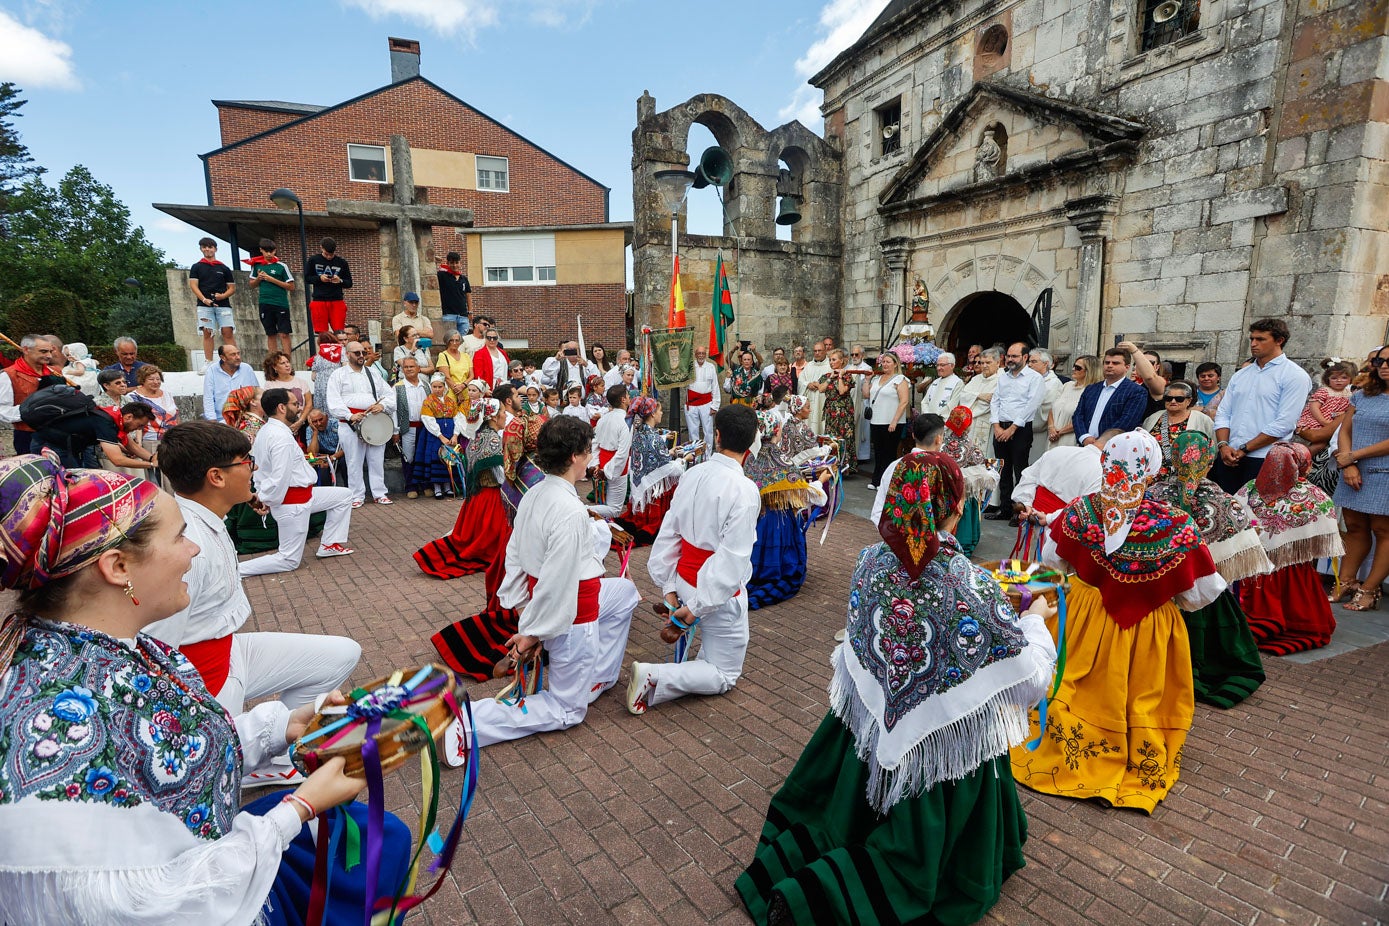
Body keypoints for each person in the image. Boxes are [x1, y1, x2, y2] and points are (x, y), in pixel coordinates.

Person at [0, 452, 410, 922]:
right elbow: (145, 907)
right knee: (371, 849)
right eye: (178, 538)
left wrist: (281, 725)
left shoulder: (121, 647)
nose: (193, 550)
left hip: (222, 858)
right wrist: (297, 808)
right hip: (218, 892)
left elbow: (167, 748)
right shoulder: (50, 732)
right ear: (117, 567)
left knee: (381, 839)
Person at [737, 451, 1056, 926]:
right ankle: (825, 895)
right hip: (937, 753)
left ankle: (815, 877)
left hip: (868, 725)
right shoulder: (970, 584)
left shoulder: (871, 560)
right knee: (917, 850)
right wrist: (1035, 625)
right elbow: (1029, 679)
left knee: (839, 810)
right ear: (955, 503)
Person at [1010, 430, 1226, 813]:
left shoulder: (1079, 510)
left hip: (1083, 612)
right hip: (1146, 624)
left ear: (1106, 462)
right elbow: (1201, 594)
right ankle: (1125, 741)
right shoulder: (1175, 524)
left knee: (1070, 679)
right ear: (1154, 469)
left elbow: (1053, 564)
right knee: (1137, 691)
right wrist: (1158, 597)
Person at [449, 415, 641, 750]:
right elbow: (557, 582)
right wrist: (533, 631)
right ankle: (466, 724)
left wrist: (526, 609)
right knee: (567, 710)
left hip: (568, 598)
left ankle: (599, 677)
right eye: (588, 451)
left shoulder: (536, 493)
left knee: (624, 593)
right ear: (574, 457)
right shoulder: (567, 509)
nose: (591, 458)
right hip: (571, 613)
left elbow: (516, 557)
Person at [150, 419, 359, 707]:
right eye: (246, 461)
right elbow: (154, 652)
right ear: (217, 477)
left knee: (342, 654)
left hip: (228, 650)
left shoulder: (205, 515)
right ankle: (262, 739)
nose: (254, 468)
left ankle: (289, 735)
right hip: (207, 682)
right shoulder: (186, 546)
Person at [628, 405, 761, 714]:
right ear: (753, 440)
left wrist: (669, 587)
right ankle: (653, 675)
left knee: (713, 655)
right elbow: (732, 560)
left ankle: (668, 675)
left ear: (716, 436)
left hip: (687, 581)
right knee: (726, 673)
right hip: (715, 593)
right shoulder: (744, 489)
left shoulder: (693, 473)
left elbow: (670, 532)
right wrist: (697, 606)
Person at [1146, 431, 1271, 708]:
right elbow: (1244, 547)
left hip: (1156, 590)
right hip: (1205, 592)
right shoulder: (1224, 501)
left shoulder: (1151, 495)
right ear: (1208, 461)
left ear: (1173, 458)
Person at [238, 389, 357, 576]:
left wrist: (264, 496)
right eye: (295, 404)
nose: (299, 407)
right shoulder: (280, 437)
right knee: (288, 560)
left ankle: (329, 544)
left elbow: (262, 472)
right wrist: (264, 500)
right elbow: (279, 478)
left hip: (302, 496)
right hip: (292, 504)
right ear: (281, 407)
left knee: (343, 496)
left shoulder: (267, 431)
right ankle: (235, 571)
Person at [1239, 442, 1342, 649]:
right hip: (1293, 570)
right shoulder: (1314, 495)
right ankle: (1290, 621)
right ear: (1302, 464)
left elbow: (1235, 515)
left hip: (1254, 569)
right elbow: (1324, 530)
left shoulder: (1249, 489)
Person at [741, 411, 831, 610]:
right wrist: (821, 481)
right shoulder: (783, 462)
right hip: (779, 523)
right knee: (781, 567)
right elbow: (806, 494)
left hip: (755, 520)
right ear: (776, 430)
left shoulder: (750, 460)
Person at [1212, 318, 1313, 493]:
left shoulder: (1294, 375)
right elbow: (1223, 412)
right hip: (1229, 455)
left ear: (1279, 340)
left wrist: (1245, 448)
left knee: (1256, 515)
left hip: (1264, 457)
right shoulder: (1241, 375)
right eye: (1252, 339)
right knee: (1223, 511)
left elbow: (1285, 422)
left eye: (1260, 339)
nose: (1253, 344)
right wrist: (1223, 445)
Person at [1333, 345, 1389, 611]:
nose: (1383, 365)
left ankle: (1369, 589)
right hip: (1354, 469)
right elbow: (1346, 429)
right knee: (1354, 527)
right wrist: (1348, 463)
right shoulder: (1363, 395)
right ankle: (1346, 581)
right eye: (1380, 360)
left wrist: (1354, 456)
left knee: (1383, 530)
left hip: (1384, 472)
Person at [327, 340, 396, 507]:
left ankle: (380, 493)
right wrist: (349, 415)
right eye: (357, 353)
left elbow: (389, 395)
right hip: (349, 424)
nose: (361, 356)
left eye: (363, 353)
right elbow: (333, 401)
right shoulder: (338, 375)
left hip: (373, 421)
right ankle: (356, 495)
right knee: (353, 461)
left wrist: (382, 405)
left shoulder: (372, 373)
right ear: (347, 354)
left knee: (376, 459)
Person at [30, 388, 157, 472]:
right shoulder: (105, 422)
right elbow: (117, 460)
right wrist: (151, 465)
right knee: (70, 484)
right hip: (50, 445)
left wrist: (152, 458)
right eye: (140, 425)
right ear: (129, 417)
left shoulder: (113, 417)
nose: (139, 429)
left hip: (66, 446)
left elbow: (132, 446)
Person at [986, 342, 1044, 521]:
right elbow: (995, 400)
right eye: (1009, 356)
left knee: (1020, 471)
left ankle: (1019, 512)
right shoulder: (1003, 376)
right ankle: (1004, 509)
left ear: (1025, 358)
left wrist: (1012, 428)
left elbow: (1031, 405)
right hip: (1000, 427)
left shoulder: (1034, 378)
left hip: (1020, 429)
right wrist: (996, 425)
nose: (1010, 359)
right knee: (1002, 469)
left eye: (1014, 356)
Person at [625, 396, 692, 542]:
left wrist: (669, 452)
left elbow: (652, 457)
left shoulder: (639, 432)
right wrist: (684, 460)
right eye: (660, 411)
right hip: (652, 491)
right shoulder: (653, 438)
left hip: (640, 486)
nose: (662, 414)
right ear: (653, 413)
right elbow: (669, 469)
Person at [938, 407, 997, 557]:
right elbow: (980, 463)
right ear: (968, 424)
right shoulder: (970, 446)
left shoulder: (941, 442)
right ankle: (963, 542)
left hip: (943, 489)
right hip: (962, 492)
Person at [869, 412, 945, 526]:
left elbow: (878, 510)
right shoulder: (942, 468)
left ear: (913, 435)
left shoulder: (895, 465)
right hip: (933, 538)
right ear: (939, 439)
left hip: (895, 535)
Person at [1072, 347, 1148, 446]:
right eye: (1107, 363)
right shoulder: (1091, 389)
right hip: (1085, 445)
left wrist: (1101, 442)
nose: (1110, 366)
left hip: (1113, 448)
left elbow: (1127, 421)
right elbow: (1078, 415)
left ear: (1127, 367)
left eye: (1115, 363)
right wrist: (1084, 437)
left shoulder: (1136, 392)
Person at [1142, 379, 1215, 477]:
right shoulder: (1153, 417)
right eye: (1168, 398)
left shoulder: (1202, 419)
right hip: (1151, 475)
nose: (1173, 401)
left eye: (1179, 399)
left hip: (1186, 477)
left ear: (1189, 401)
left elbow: (1213, 449)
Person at [0, 334, 57, 454]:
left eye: (50, 351)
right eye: (43, 351)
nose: (49, 356)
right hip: (28, 437)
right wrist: (34, 411)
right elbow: (2, 410)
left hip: (58, 435)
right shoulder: (9, 376)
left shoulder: (55, 373)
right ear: (26, 350)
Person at [863, 350, 910, 489]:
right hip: (876, 420)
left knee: (889, 453)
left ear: (895, 364)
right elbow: (866, 395)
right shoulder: (877, 379)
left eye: (888, 362)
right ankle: (876, 480)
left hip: (891, 421)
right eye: (883, 361)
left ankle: (886, 482)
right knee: (878, 452)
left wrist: (895, 420)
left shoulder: (900, 380)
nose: (885, 364)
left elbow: (904, 401)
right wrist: (867, 380)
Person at [188, 237, 237, 364]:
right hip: (204, 306)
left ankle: (234, 360)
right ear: (201, 249)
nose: (207, 249)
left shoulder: (224, 268)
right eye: (204, 247)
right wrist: (204, 299)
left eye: (210, 247)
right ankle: (208, 362)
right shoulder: (196, 267)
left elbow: (232, 288)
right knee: (208, 332)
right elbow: (193, 285)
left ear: (215, 249)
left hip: (223, 305)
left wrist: (222, 296)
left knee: (228, 331)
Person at [589, 384, 633, 518]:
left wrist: (596, 464)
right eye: (628, 395)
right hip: (616, 466)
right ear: (623, 399)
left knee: (606, 500)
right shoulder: (625, 421)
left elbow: (595, 444)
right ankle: (583, 510)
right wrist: (607, 471)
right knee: (614, 509)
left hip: (603, 462)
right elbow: (622, 452)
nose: (630, 397)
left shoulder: (603, 418)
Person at [418, 372, 464, 499]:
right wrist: (440, 435)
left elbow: (457, 418)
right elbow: (427, 419)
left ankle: (448, 486)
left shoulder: (451, 402)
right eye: (434, 387)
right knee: (436, 457)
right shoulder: (428, 402)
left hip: (450, 432)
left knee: (449, 458)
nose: (437, 389)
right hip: (435, 434)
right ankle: (437, 487)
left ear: (445, 387)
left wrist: (455, 435)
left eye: (440, 387)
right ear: (431, 387)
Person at [1296, 358, 1355, 454]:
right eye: (1334, 378)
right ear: (1327, 379)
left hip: (1334, 421)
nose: (1339, 381)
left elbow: (1348, 408)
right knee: (1321, 442)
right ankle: (1302, 456)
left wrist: (1342, 413)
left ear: (1350, 379)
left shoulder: (1349, 393)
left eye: (1344, 378)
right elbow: (1314, 407)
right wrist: (1323, 421)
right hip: (1318, 419)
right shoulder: (1325, 391)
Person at [248, 237, 295, 356]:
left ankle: (287, 360)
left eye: (271, 251)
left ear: (275, 251)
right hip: (265, 302)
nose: (269, 254)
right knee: (270, 333)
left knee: (284, 333)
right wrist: (259, 278)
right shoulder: (257, 266)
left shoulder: (281, 266)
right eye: (266, 251)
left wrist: (271, 279)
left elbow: (291, 286)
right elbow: (251, 285)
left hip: (280, 303)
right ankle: (273, 362)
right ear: (261, 250)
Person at [129, 364, 179, 472]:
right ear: (142, 380)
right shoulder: (134, 397)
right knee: (155, 474)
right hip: (150, 441)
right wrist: (137, 443)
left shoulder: (167, 394)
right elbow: (133, 422)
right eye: (151, 379)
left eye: (158, 379)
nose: (156, 382)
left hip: (171, 440)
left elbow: (176, 415)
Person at [816, 348, 859, 475]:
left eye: (834, 360)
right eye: (830, 360)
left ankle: (845, 467)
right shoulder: (826, 376)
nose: (831, 362)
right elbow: (821, 389)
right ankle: (832, 465)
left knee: (845, 437)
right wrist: (831, 378)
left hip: (844, 412)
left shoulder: (847, 376)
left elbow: (842, 391)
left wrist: (840, 376)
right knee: (831, 438)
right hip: (831, 410)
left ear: (841, 361)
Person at [393, 356, 430, 497]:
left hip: (425, 428)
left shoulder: (426, 386)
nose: (408, 369)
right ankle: (411, 486)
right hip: (407, 427)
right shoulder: (398, 387)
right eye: (406, 367)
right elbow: (393, 411)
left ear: (418, 368)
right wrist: (395, 431)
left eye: (411, 366)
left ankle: (425, 485)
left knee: (424, 456)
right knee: (409, 457)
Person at [1047, 354, 1098, 447]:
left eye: (1078, 368)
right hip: (1052, 436)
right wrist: (1051, 428)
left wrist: (1059, 432)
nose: (1073, 369)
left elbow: (1084, 418)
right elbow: (1052, 408)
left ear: (1089, 371)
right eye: (1074, 366)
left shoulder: (1092, 391)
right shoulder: (1067, 385)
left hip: (1070, 438)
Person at [956, 346, 1000, 451]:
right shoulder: (975, 379)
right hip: (970, 425)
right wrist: (979, 395)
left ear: (998, 363)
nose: (984, 366)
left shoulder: (1001, 381)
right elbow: (962, 396)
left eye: (988, 363)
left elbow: (989, 403)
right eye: (982, 363)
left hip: (987, 423)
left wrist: (973, 397)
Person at [305, 236, 352, 333]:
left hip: (337, 300)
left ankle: (339, 348)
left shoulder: (342, 262)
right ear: (321, 248)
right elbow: (307, 278)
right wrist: (319, 278)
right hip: (319, 300)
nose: (329, 257)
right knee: (322, 333)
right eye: (326, 254)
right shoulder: (313, 260)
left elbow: (349, 283)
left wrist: (340, 281)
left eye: (331, 254)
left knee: (339, 331)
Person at [202, 343, 257, 422]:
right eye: (233, 355)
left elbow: (256, 393)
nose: (238, 357)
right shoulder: (212, 371)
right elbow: (208, 398)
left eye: (238, 353)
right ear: (223, 358)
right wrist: (213, 422)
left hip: (246, 418)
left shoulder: (247, 369)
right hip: (221, 419)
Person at [261, 350, 312, 431]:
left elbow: (309, 403)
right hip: (279, 427)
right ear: (275, 367)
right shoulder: (270, 385)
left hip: (301, 424)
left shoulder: (301, 382)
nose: (287, 365)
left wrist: (301, 421)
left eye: (287, 362)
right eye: (282, 363)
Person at [685, 344, 720, 461]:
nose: (701, 355)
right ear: (695, 355)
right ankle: (695, 456)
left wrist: (715, 405)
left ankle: (707, 456)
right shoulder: (689, 367)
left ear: (705, 355)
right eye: (699, 353)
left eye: (703, 353)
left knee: (708, 431)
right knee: (693, 431)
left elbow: (715, 386)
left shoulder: (711, 367)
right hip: (692, 402)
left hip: (706, 402)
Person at [800, 341, 832, 434]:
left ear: (825, 351)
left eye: (819, 351)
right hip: (810, 401)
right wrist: (807, 384)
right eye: (815, 351)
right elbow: (801, 381)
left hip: (823, 401)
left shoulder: (830, 366)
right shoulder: (809, 366)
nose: (817, 353)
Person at [437, 251, 471, 336]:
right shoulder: (442, 276)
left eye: (457, 263)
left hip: (463, 316)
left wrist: (470, 312)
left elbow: (468, 295)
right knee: (450, 340)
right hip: (448, 315)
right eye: (452, 263)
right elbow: (431, 274)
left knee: (463, 341)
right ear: (448, 263)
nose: (454, 265)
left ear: (460, 263)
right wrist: (435, 261)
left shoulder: (464, 279)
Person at [921, 351, 963, 416]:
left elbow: (952, 406)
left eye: (942, 365)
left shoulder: (957, 383)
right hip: (929, 422)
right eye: (937, 365)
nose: (938, 368)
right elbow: (925, 402)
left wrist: (936, 419)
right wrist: (927, 416)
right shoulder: (935, 382)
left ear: (952, 366)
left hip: (944, 422)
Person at [435, 329, 474, 399]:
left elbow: (471, 375)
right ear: (447, 341)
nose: (454, 343)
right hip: (451, 393)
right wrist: (458, 393)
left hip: (466, 391)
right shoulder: (443, 355)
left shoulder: (466, 356)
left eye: (457, 340)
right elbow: (446, 377)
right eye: (451, 340)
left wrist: (463, 386)